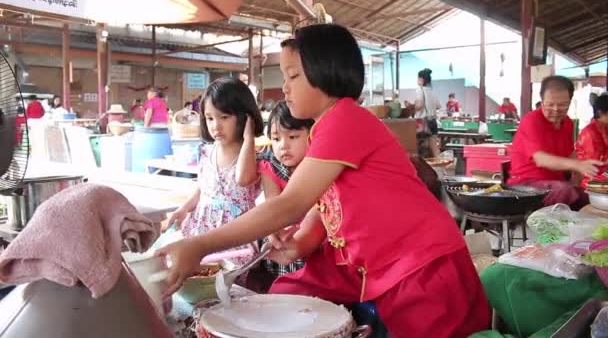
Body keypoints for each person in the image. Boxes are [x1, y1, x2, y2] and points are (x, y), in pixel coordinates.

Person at [157, 24, 489, 337]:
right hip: (360, 265)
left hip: (419, 265)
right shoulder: (323, 130)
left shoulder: (345, 118)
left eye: (293, 75)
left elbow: (291, 203)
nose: (284, 86)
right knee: (289, 290)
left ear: (325, 71)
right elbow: (325, 201)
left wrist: (201, 244)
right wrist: (301, 243)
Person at [166, 77, 264, 269]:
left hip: (235, 236)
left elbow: (244, 179)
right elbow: (203, 189)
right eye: (210, 118)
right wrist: (184, 208)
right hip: (201, 229)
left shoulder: (254, 157)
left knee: (227, 284)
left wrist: (248, 138)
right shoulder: (206, 151)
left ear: (245, 117)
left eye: (224, 117)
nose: (215, 126)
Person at [508, 76, 603, 210]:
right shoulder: (531, 121)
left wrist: (581, 173)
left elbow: (570, 155)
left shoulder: (568, 123)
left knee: (589, 195)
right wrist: (577, 165)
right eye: (550, 104)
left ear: (570, 102)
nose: (556, 109)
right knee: (565, 190)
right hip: (525, 185)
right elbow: (541, 160)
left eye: (563, 105)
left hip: (556, 184)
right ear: (541, 101)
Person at [257, 101, 315, 280]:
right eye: (276, 138)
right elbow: (275, 207)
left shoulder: (319, 167)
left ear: (312, 135)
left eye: (293, 137)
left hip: (315, 235)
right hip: (284, 234)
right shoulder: (270, 167)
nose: (283, 145)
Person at [575, 94, 608, 189]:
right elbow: (595, 165)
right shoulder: (590, 132)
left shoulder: (604, 128)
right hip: (592, 180)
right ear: (601, 113)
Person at [412, 68, 441, 157]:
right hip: (433, 121)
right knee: (434, 148)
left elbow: (419, 105)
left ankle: (418, 169)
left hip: (422, 123)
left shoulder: (420, 90)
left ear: (421, 79)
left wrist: (411, 107)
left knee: (415, 147)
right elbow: (438, 106)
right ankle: (440, 168)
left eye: (418, 78)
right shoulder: (431, 91)